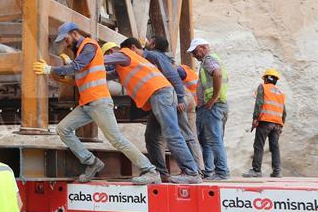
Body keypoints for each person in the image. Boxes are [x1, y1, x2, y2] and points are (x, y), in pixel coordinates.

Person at [32, 22, 159, 184]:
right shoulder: (82, 52)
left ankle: (149, 170)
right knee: (63, 129)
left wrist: (50, 69)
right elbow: (77, 72)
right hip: (87, 104)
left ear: (74, 33)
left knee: (116, 139)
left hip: (98, 101)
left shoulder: (89, 45)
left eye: (65, 39)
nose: (65, 43)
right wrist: (68, 64)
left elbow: (76, 68)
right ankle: (92, 162)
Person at [102, 41, 201, 185]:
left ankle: (191, 172)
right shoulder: (122, 67)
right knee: (152, 137)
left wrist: (80, 61)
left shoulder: (124, 53)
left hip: (161, 94)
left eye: (109, 56)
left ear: (112, 52)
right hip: (158, 96)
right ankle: (160, 174)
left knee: (172, 134)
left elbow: (99, 61)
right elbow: (104, 74)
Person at [145, 36, 205, 174]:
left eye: (149, 42)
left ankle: (193, 171)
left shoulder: (160, 60)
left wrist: (179, 99)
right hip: (186, 99)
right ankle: (198, 169)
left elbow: (175, 78)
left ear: (153, 44)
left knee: (179, 135)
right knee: (189, 136)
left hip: (179, 98)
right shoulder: (170, 61)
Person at [189, 38, 230, 180]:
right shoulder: (214, 59)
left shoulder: (208, 60)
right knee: (212, 140)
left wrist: (213, 98)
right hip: (218, 105)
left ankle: (221, 173)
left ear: (203, 47)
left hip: (213, 106)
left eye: (195, 52)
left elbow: (217, 74)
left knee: (214, 140)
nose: (194, 55)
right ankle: (213, 171)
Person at [244, 69, 287, 178]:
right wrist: (281, 124)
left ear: (266, 78)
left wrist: (255, 118)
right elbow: (284, 111)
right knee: (275, 147)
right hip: (277, 124)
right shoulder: (281, 93)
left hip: (265, 122)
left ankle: (256, 170)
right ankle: (277, 171)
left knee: (258, 146)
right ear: (276, 80)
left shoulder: (262, 87)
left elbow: (259, 103)